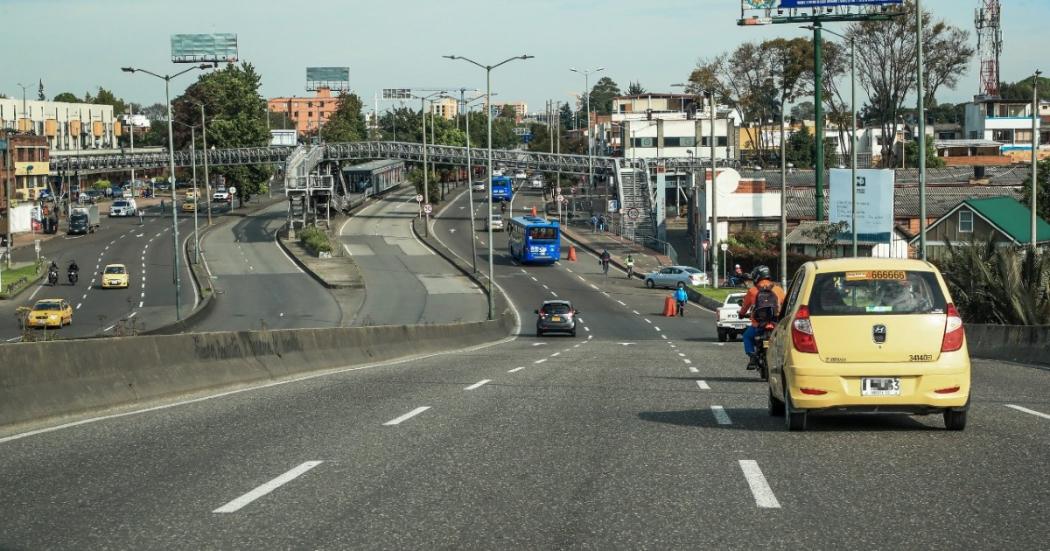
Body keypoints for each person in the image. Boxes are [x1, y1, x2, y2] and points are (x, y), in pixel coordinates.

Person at [739, 265, 786, 370]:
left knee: (747, 336)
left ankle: (752, 357)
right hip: (775, 325)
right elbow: (786, 305)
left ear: (757, 277)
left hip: (758, 325)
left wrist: (741, 314)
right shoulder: (778, 290)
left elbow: (745, 307)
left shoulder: (752, 291)